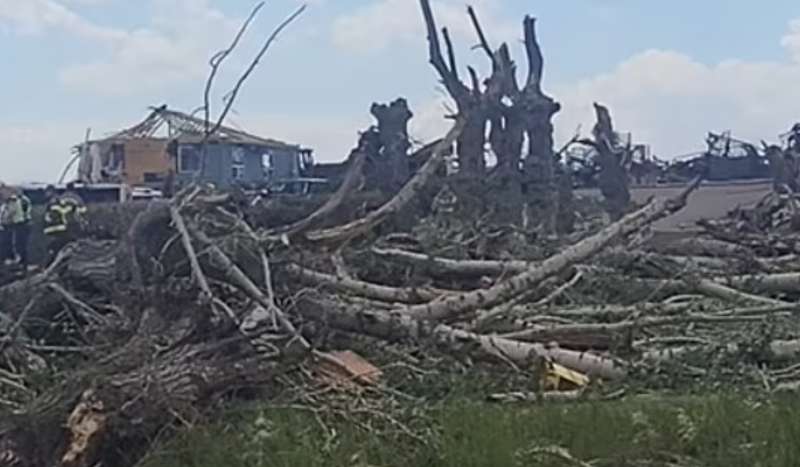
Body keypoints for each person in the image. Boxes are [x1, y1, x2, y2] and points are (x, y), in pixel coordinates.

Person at [43, 188, 87, 261]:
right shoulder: (62, 203)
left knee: (54, 248)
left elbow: (51, 218)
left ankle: (52, 265)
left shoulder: (53, 204)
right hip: (62, 230)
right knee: (56, 248)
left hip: (57, 230)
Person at [7, 189, 32, 269]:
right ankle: (23, 261)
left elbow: (12, 212)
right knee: (21, 243)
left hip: (21, 223)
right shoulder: (23, 200)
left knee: (19, 243)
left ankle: (22, 261)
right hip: (21, 223)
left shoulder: (20, 200)